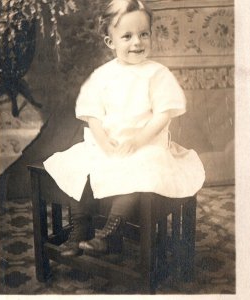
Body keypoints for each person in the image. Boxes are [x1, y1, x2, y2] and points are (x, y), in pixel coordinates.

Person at [43, 0, 205, 256]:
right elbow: (92, 114)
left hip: (146, 145)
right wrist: (104, 143)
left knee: (138, 170)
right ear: (111, 42)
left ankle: (110, 233)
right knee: (80, 166)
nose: (137, 43)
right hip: (109, 143)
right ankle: (80, 229)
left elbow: (163, 114)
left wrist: (138, 140)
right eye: (127, 36)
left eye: (144, 34)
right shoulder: (102, 75)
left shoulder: (157, 74)